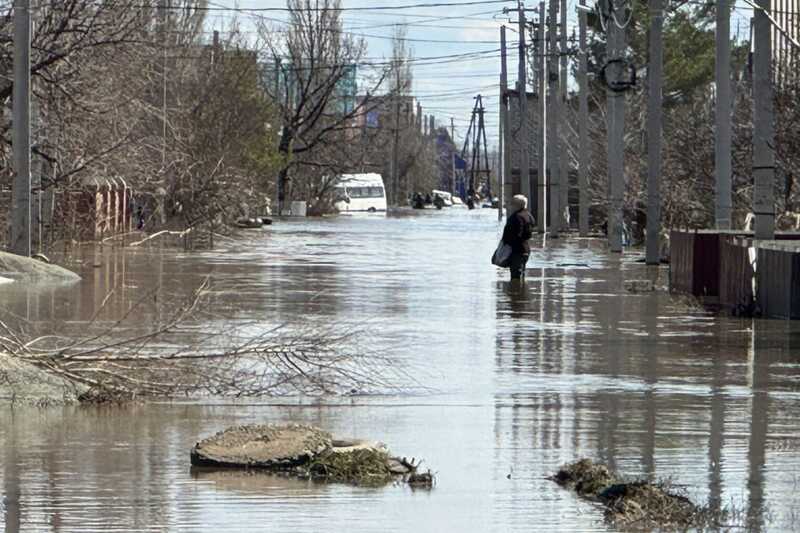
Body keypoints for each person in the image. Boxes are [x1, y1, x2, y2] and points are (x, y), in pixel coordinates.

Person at [502, 194, 535, 281]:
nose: (510, 206)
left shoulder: (516, 217)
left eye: (512, 203)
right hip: (525, 249)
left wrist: (507, 243)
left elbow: (515, 234)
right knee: (521, 275)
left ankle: (516, 293)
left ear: (516, 205)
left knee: (515, 278)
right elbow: (529, 232)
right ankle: (521, 292)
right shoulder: (528, 215)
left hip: (516, 251)